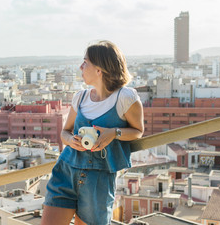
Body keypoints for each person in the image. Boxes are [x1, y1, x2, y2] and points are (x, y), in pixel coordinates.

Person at [41, 40, 144, 225]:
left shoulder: (125, 98)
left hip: (98, 180)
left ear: (99, 69)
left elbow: (138, 131)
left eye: (85, 62)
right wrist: (71, 140)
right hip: (66, 171)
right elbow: (64, 132)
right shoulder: (80, 97)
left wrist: (114, 133)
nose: (81, 66)